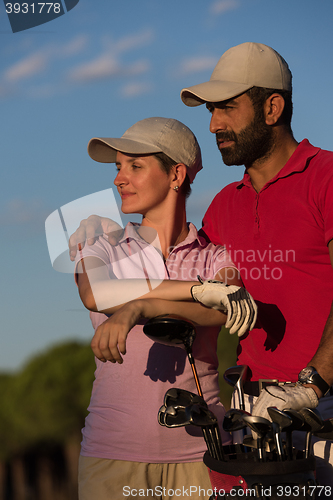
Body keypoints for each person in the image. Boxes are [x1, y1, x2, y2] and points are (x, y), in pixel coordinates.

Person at [73, 117, 257, 500]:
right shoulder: (101, 245)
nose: (119, 179)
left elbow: (226, 309)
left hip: (203, 455)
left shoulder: (214, 255)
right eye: (118, 168)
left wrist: (140, 307)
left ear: (176, 174)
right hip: (111, 456)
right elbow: (96, 293)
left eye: (135, 166)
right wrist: (195, 291)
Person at [180, 42, 333, 487]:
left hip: (324, 413)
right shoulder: (223, 206)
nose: (213, 125)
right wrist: (107, 252)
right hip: (250, 420)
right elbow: (193, 299)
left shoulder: (326, 176)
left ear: (272, 107)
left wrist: (311, 387)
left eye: (226, 108)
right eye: (211, 111)